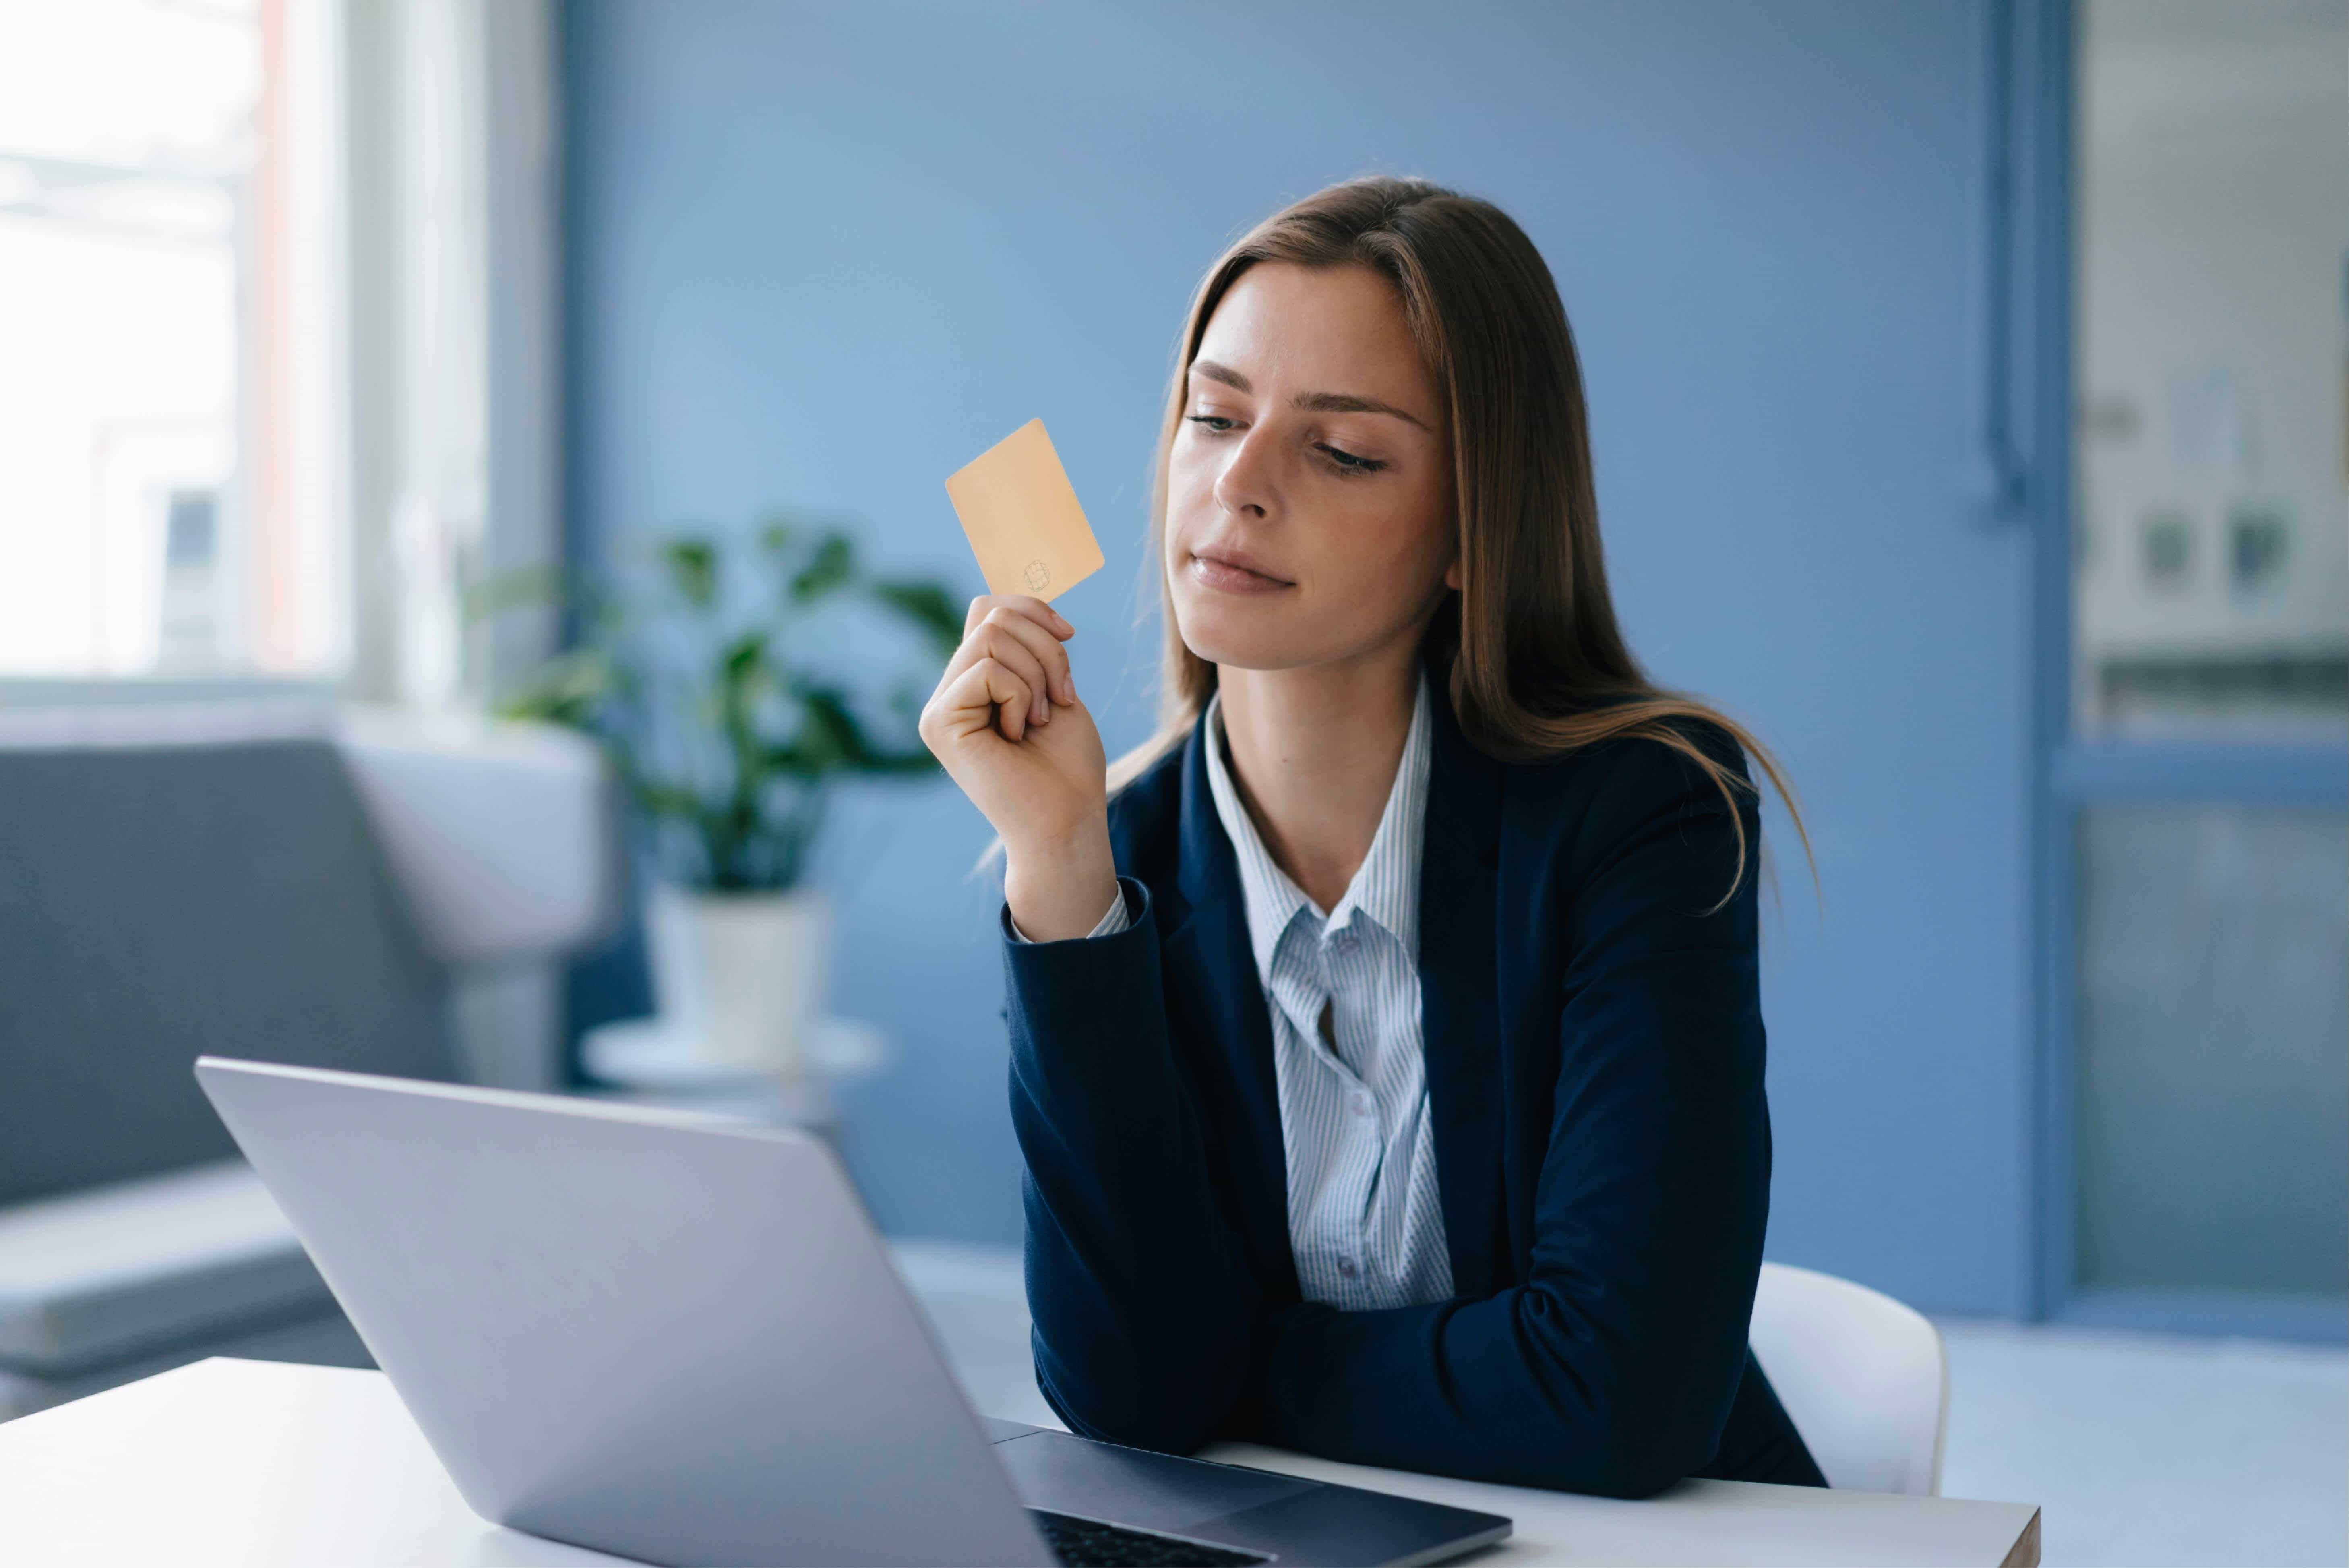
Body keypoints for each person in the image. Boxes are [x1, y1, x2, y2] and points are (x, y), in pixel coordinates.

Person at [918, 176, 1826, 1498]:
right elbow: (1122, 1390)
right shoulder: (1111, 856)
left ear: (1474, 526)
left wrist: (1231, 1361)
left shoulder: (1647, 814)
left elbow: (1616, 1399)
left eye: (1339, 451)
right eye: (1213, 415)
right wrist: (1058, 871)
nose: (1237, 483)